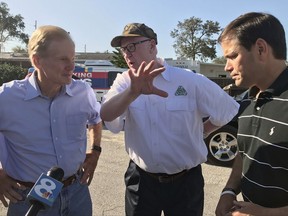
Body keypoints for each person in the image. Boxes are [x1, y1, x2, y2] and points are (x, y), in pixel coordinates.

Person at [100, 22, 239, 216]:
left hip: (185, 183)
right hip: (142, 180)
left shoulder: (188, 80)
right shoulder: (125, 82)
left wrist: (203, 130)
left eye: (132, 46)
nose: (127, 53)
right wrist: (132, 92)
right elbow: (106, 115)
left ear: (152, 46)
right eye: (123, 48)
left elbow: (227, 109)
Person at [0, 25, 102, 216]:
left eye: (73, 59)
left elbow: (96, 119)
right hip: (28, 199)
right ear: (37, 61)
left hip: (76, 192)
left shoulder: (83, 92)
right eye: (63, 59)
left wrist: (95, 150)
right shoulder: (7, 97)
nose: (72, 66)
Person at [215, 12, 288, 216]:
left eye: (232, 56)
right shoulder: (247, 98)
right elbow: (245, 152)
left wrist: (266, 213)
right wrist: (229, 191)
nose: (227, 67)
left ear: (261, 49)